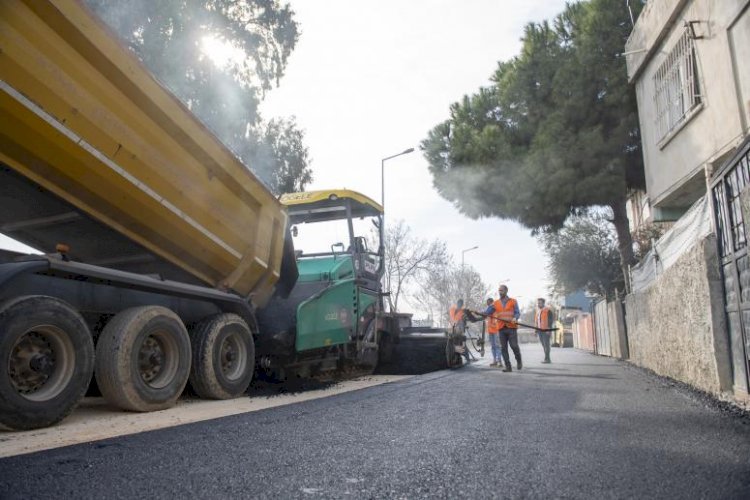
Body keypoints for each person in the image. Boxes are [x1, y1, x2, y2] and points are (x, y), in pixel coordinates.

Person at [486, 284, 521, 372]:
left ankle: (519, 360)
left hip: (511, 327)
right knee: (503, 348)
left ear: (506, 291)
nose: (500, 292)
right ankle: (508, 366)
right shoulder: (496, 303)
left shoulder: (513, 301)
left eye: (501, 290)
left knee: (514, 346)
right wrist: (478, 313)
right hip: (501, 328)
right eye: (499, 290)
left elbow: (517, 313)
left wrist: (515, 318)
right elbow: (487, 312)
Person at [449, 299, 471, 365]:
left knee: (461, 344)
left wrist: (461, 329)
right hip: (453, 329)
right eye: (459, 304)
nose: (460, 306)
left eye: (461, 305)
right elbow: (451, 319)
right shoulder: (452, 309)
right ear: (457, 304)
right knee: (454, 344)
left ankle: (467, 358)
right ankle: (455, 358)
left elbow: (463, 321)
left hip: (459, 330)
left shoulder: (462, 311)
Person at [535, 298, 554, 363]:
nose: (538, 304)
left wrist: (549, 329)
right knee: (543, 345)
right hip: (540, 331)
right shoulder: (538, 311)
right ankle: (547, 358)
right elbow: (537, 322)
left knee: (546, 345)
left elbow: (551, 320)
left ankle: (547, 359)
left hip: (546, 330)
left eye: (540, 303)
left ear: (543, 303)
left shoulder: (548, 310)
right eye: (538, 303)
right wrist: (535, 330)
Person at [484, 297, 502, 367]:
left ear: (491, 302)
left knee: (497, 346)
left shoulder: (494, 307)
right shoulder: (489, 309)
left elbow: (487, 313)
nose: (487, 304)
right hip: (490, 330)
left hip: (496, 330)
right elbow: (486, 315)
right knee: (493, 346)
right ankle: (495, 360)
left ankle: (499, 361)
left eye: (488, 302)